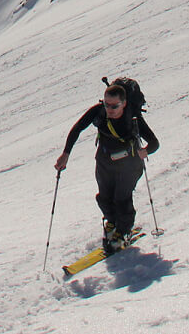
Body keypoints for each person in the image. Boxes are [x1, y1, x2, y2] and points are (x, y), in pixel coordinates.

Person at [54, 82, 160, 252]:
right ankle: (112, 224)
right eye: (106, 104)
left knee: (121, 198)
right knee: (104, 197)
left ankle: (123, 232)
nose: (109, 109)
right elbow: (77, 128)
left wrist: (146, 151)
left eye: (114, 106)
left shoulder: (132, 118)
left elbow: (154, 142)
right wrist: (66, 154)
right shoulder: (99, 112)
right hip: (104, 161)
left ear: (124, 103)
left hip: (129, 164)